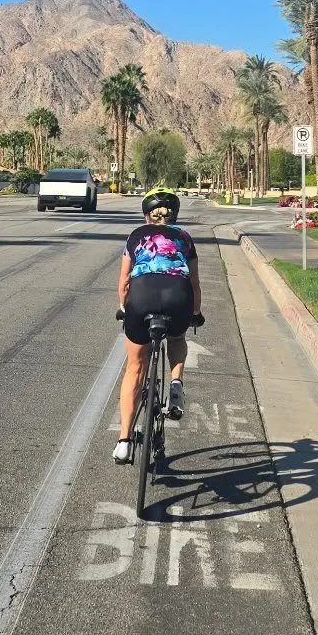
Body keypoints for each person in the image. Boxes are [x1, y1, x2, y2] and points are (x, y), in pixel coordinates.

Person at [113, 189, 201, 465]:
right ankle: (176, 383)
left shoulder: (136, 236)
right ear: (175, 215)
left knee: (135, 368)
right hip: (178, 297)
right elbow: (195, 284)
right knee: (177, 337)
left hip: (142, 296)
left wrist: (125, 308)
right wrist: (195, 313)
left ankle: (124, 442)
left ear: (145, 214)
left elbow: (124, 281)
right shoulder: (185, 238)